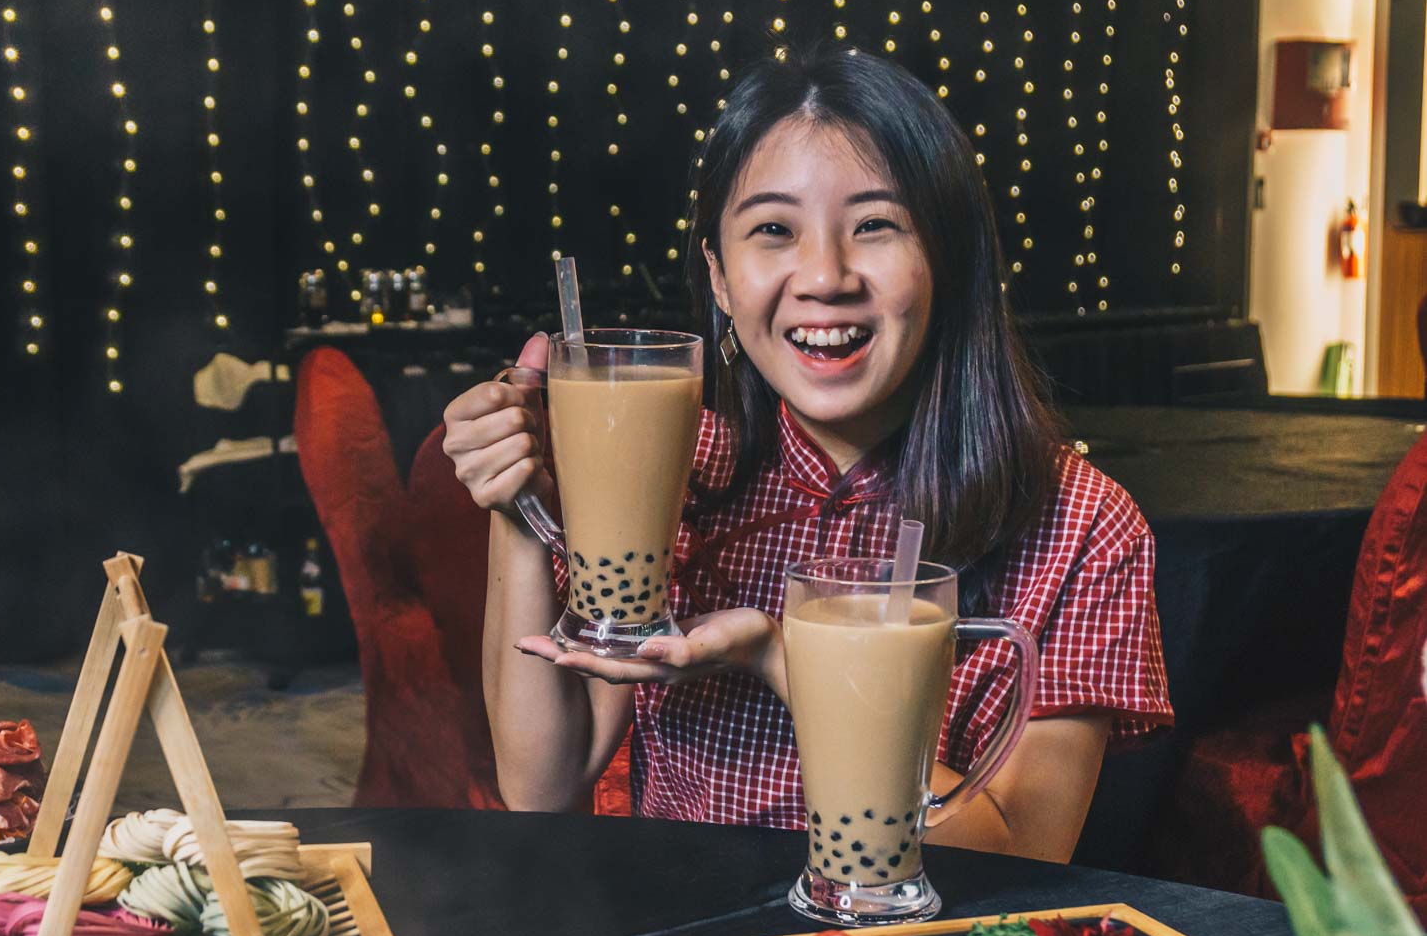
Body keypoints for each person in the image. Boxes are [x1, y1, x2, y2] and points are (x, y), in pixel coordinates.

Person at [442, 45, 1172, 863]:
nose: (824, 275)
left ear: (949, 259)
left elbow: (1023, 859)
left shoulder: (1083, 525)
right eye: (773, 231)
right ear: (719, 278)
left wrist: (780, 653)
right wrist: (521, 506)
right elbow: (542, 786)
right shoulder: (669, 470)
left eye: (875, 226)